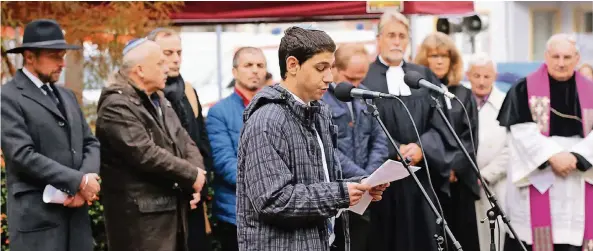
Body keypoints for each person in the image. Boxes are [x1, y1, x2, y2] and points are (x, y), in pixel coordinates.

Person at [236, 26, 389, 251]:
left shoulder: (318, 112)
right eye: (320, 68)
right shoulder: (267, 120)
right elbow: (273, 201)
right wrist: (341, 194)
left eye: (331, 67)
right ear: (292, 65)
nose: (329, 77)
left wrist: (360, 184)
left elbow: (321, 182)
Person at [96, 38, 207, 251]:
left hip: (171, 214)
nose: (167, 68)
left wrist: (197, 174)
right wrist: (192, 175)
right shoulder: (116, 105)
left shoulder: (160, 99)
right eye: (159, 63)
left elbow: (185, 140)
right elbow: (145, 153)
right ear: (140, 70)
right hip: (140, 224)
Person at [1, 19, 101, 251]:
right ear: (29, 57)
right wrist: (78, 182)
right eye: (54, 56)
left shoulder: (67, 96)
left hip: (76, 222)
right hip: (38, 225)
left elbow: (90, 142)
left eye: (63, 55)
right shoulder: (7, 97)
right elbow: (21, 154)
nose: (62, 63)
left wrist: (84, 182)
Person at [362, 11, 455, 251]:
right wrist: (394, 149)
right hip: (382, 181)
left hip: (420, 178)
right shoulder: (365, 77)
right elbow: (362, 127)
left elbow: (441, 121)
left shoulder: (422, 76)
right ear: (379, 39)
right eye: (391, 35)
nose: (396, 41)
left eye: (402, 36)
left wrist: (422, 148)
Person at [497, 33, 593, 251]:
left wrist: (576, 157)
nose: (561, 63)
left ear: (577, 59)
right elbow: (520, 132)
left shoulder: (591, 90)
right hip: (539, 179)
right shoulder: (523, 89)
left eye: (567, 57)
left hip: (578, 183)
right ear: (546, 56)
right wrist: (552, 156)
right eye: (556, 56)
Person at [147, 27, 214, 251]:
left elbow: (200, 141)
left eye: (179, 52)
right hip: (162, 198)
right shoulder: (146, 94)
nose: (176, 59)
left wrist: (200, 184)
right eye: (168, 53)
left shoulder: (188, 90)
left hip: (194, 194)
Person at [415, 31, 481, 251]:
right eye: (434, 56)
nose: (440, 60)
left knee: (463, 237)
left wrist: (454, 167)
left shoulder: (463, 94)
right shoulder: (416, 95)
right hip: (430, 178)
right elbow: (420, 132)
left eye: (445, 56)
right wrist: (442, 165)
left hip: (459, 180)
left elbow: (470, 136)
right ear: (424, 60)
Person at [321, 43, 389, 251]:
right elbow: (328, 150)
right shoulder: (322, 100)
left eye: (361, 78)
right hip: (338, 191)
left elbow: (380, 139)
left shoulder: (366, 95)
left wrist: (371, 176)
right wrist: (362, 177)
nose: (357, 84)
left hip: (366, 192)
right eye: (351, 79)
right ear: (334, 69)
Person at [206, 46, 267, 251]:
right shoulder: (219, 112)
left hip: (275, 211)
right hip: (235, 213)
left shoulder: (278, 108)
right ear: (234, 72)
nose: (255, 70)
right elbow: (223, 162)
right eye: (248, 65)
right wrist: (266, 186)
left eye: (260, 65)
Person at [466, 52, 509, 251]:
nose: (481, 82)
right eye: (477, 76)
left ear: (495, 76)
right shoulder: (459, 101)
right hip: (464, 185)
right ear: (468, 75)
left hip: (496, 185)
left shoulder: (506, 103)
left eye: (487, 76)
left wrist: (486, 175)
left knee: (495, 238)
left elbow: (512, 148)